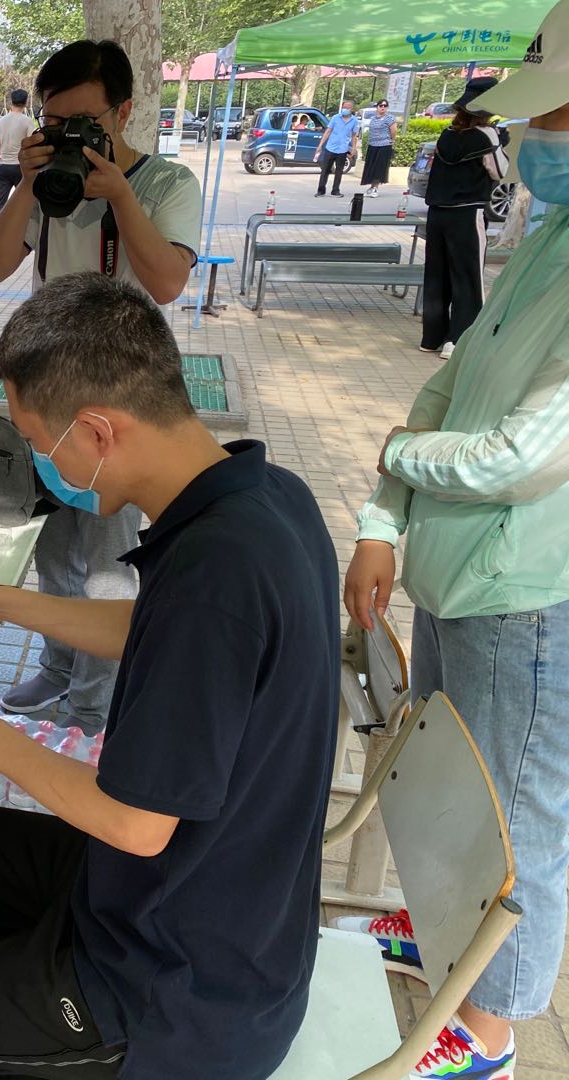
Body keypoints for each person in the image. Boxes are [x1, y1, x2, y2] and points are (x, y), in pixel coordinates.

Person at [0, 272, 339, 1080]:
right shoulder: (266, 497)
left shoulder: (217, 578)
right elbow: (154, 631)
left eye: (38, 443)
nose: (40, 464)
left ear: (99, 432)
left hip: (182, 991)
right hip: (201, 896)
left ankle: (68, 1039)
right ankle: (23, 1034)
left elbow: (138, 826)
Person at [341, 10, 569, 1073]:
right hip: (451, 576)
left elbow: (521, 455)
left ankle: (489, 1031)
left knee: (514, 819)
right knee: (440, 782)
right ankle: (444, 942)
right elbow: (447, 386)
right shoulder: (549, 239)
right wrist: (382, 518)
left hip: (524, 599)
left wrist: (400, 457)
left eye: (553, 118)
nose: (531, 140)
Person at [0, 39, 201, 731]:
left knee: (109, 566)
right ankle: (57, 668)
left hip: (120, 408)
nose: (68, 135)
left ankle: (92, 705)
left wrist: (121, 197)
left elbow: (167, 282)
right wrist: (26, 184)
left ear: (124, 112)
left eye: (83, 122)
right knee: (53, 551)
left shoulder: (166, 183)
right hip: (50, 396)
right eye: (54, 122)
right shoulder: (50, 183)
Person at [418, 76, 510, 358]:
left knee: (437, 275)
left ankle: (431, 338)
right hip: (467, 214)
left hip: (437, 214)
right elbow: (500, 171)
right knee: (468, 277)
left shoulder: (447, 134)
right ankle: (457, 340)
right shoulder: (487, 135)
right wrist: (500, 144)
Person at [0, 88, 34, 215]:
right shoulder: (27, 121)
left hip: (3, 166)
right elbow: (30, 144)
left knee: (2, 200)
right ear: (26, 102)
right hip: (20, 167)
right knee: (23, 200)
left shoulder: (0, 122)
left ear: (12, 101)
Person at [313, 97, 359, 196]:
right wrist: (320, 145)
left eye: (347, 108)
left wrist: (354, 148)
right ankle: (321, 190)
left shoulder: (354, 121)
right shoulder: (335, 118)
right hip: (331, 147)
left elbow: (354, 136)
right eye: (344, 107)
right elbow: (328, 131)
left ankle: (335, 190)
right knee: (325, 170)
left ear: (351, 109)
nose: (345, 109)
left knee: (339, 171)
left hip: (343, 149)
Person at [360, 99, 398, 196]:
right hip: (373, 145)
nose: (383, 107)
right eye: (381, 105)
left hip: (384, 145)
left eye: (385, 106)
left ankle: (375, 188)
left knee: (379, 167)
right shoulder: (373, 118)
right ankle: (371, 187)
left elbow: (393, 130)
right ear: (377, 107)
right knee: (371, 167)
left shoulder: (390, 118)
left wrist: (391, 140)